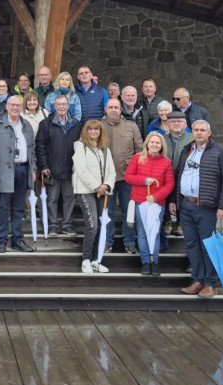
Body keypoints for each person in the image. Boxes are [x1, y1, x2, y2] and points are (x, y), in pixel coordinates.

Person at [173, 120, 223, 298]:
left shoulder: (220, 151)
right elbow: (178, 175)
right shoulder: (186, 150)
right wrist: (174, 201)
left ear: (209, 133)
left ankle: (210, 284)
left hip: (206, 206)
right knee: (191, 244)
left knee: (208, 246)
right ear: (191, 132)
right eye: (196, 130)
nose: (199, 133)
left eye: (202, 130)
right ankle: (197, 280)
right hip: (186, 205)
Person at [0, 96, 37, 253]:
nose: (15, 108)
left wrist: (33, 169)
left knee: (19, 207)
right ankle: (2, 240)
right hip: (4, 171)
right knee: (2, 207)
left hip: (23, 169)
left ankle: (17, 239)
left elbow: (31, 150)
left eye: (18, 105)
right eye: (12, 105)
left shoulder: (26, 125)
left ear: (22, 108)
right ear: (6, 106)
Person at [125, 132, 175, 276]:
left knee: (155, 233)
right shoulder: (137, 158)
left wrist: (156, 197)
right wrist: (144, 180)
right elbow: (128, 177)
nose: (154, 145)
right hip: (140, 201)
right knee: (142, 233)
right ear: (147, 143)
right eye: (152, 142)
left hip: (157, 203)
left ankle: (155, 262)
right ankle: (146, 262)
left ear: (161, 145)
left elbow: (169, 184)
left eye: (157, 143)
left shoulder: (166, 162)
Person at [72, 120, 116, 273]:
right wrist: (97, 186)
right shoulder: (80, 146)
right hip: (85, 191)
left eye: (96, 129)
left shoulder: (105, 149)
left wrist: (106, 186)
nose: (93, 132)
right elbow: (81, 170)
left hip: (102, 192)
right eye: (90, 129)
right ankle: (86, 260)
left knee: (101, 225)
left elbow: (111, 171)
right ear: (86, 131)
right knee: (92, 225)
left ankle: (96, 260)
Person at [35, 94, 82, 235]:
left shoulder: (76, 124)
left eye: (64, 104)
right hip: (52, 168)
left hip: (71, 168)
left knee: (69, 198)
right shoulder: (45, 124)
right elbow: (40, 146)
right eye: (58, 104)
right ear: (54, 106)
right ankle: (53, 225)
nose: (61, 107)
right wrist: (44, 166)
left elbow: (81, 147)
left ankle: (67, 224)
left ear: (68, 106)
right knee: (52, 199)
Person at [102, 98, 143, 254]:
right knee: (108, 212)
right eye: (110, 107)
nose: (113, 110)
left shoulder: (131, 126)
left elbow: (140, 151)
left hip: (127, 177)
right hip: (106, 178)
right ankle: (107, 242)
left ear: (121, 110)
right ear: (106, 109)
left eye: (116, 107)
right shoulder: (98, 126)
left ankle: (129, 242)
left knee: (128, 211)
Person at [163, 111, 194, 238]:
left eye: (179, 121)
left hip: (184, 175)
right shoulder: (162, 140)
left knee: (182, 197)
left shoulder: (192, 139)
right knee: (165, 196)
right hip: (165, 176)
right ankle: (167, 221)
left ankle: (180, 222)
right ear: (167, 124)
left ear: (185, 124)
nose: (176, 124)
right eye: (172, 121)